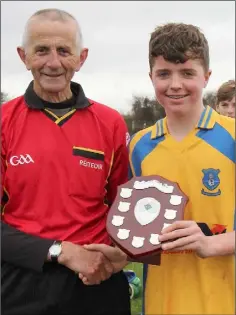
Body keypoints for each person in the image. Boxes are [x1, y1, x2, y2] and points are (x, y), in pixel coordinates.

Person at [84, 23, 235, 315]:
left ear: (206, 77)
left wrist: (212, 243)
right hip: (159, 303)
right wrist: (120, 255)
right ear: (151, 77)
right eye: (164, 73)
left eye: (187, 73)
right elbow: (137, 229)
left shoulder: (232, 136)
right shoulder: (139, 146)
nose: (175, 84)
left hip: (223, 300)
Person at [1, 8, 130, 315]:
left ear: (81, 58)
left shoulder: (111, 122)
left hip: (97, 281)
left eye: (64, 51)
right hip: (23, 282)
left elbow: (123, 209)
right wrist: (61, 251)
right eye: (41, 50)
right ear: (23, 56)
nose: (53, 62)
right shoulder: (4, 122)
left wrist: (122, 253)